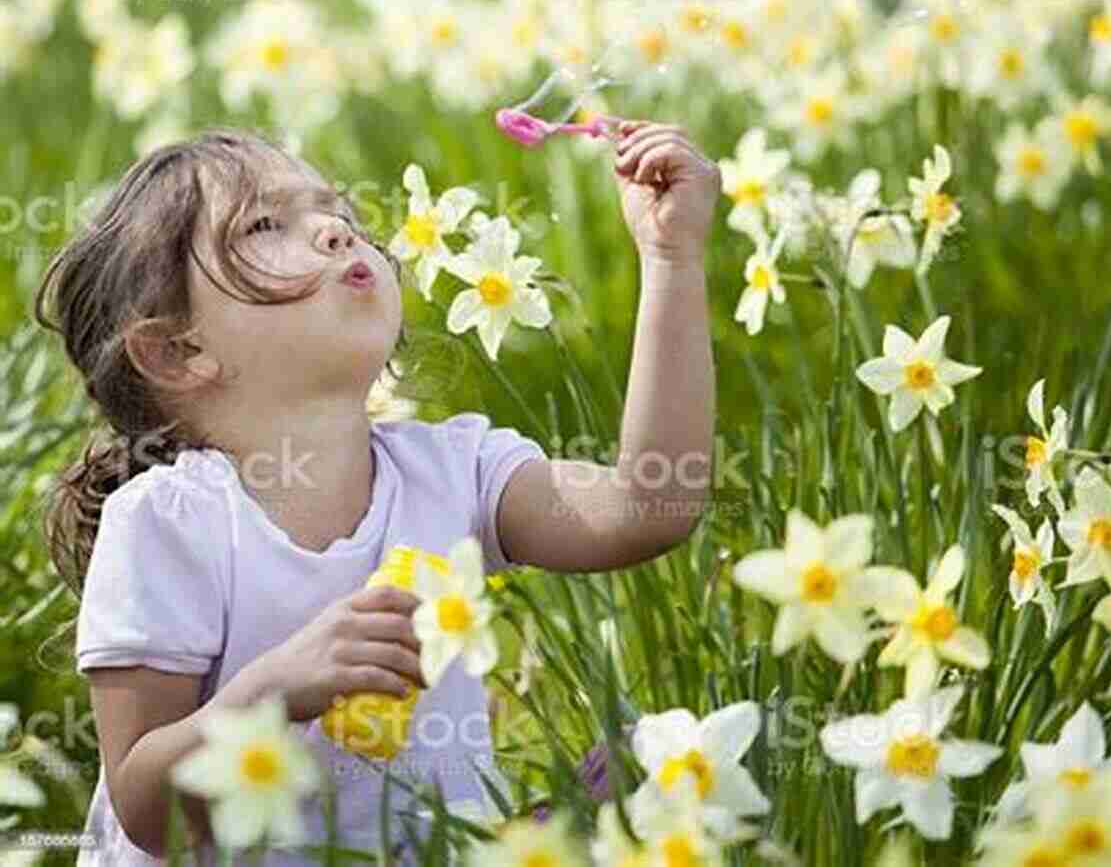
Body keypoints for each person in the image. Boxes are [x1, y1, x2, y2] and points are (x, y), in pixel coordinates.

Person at [35, 122, 721, 864]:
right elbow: (145, 810)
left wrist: (670, 257)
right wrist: (275, 691)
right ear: (179, 349)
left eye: (340, 215)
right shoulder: (169, 522)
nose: (335, 230)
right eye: (266, 224)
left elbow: (646, 509)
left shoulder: (455, 471)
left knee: (658, 773)